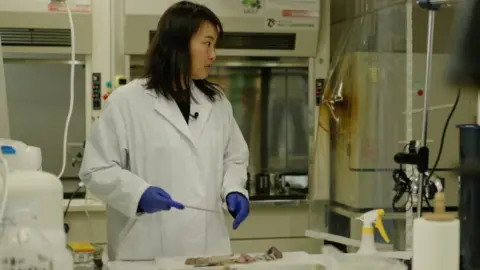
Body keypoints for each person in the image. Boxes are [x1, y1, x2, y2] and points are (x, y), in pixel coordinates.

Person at [79, 1, 250, 261]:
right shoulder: (126, 102)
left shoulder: (217, 103)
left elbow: (234, 157)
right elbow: (95, 169)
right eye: (207, 43)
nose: (213, 55)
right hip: (146, 253)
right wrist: (138, 193)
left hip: (208, 252)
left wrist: (234, 188)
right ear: (180, 44)